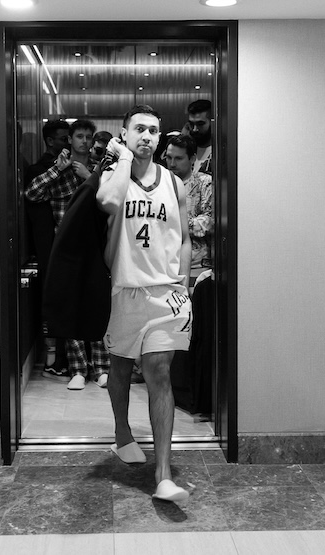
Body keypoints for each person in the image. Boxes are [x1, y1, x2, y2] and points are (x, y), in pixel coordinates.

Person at [96, 104, 193, 504]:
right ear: (124, 133)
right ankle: (122, 432)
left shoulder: (175, 183)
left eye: (153, 131)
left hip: (167, 294)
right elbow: (107, 203)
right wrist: (120, 159)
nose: (147, 137)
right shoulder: (113, 175)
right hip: (127, 289)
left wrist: (183, 281)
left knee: (159, 371)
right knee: (120, 366)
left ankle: (163, 475)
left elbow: (184, 237)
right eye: (138, 129)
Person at [25, 118, 110, 390]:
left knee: (96, 307)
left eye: (88, 137)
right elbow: (32, 193)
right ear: (70, 139)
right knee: (71, 308)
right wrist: (57, 171)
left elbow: (114, 202)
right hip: (66, 248)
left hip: (96, 245)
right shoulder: (57, 169)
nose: (84, 141)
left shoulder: (101, 170)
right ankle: (78, 369)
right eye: (79, 136)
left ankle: (101, 367)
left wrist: (91, 177)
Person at [163, 134, 213, 284]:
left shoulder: (204, 182)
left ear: (192, 159)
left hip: (197, 267)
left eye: (178, 158)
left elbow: (209, 221)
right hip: (165, 265)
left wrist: (174, 223)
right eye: (169, 157)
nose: (172, 163)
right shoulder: (160, 184)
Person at [183, 99, 213, 175]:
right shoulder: (187, 150)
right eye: (191, 124)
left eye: (200, 124)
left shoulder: (220, 154)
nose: (194, 129)